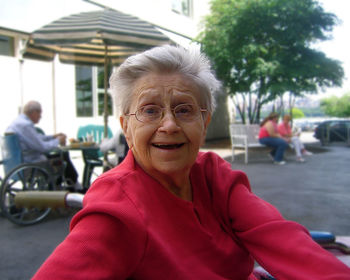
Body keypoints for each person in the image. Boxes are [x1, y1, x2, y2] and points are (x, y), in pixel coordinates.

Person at [32, 45, 350, 279]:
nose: (169, 124)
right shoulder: (118, 206)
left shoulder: (212, 173)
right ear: (126, 126)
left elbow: (278, 236)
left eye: (184, 109)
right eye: (150, 110)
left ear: (205, 121)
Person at [6, 100, 81, 190]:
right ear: (34, 112)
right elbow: (42, 147)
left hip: (15, 163)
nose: (40, 117)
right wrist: (58, 140)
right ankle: (73, 185)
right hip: (31, 163)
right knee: (63, 155)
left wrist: (53, 136)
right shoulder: (25, 125)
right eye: (39, 113)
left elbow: (36, 138)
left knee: (59, 156)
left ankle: (72, 184)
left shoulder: (17, 122)